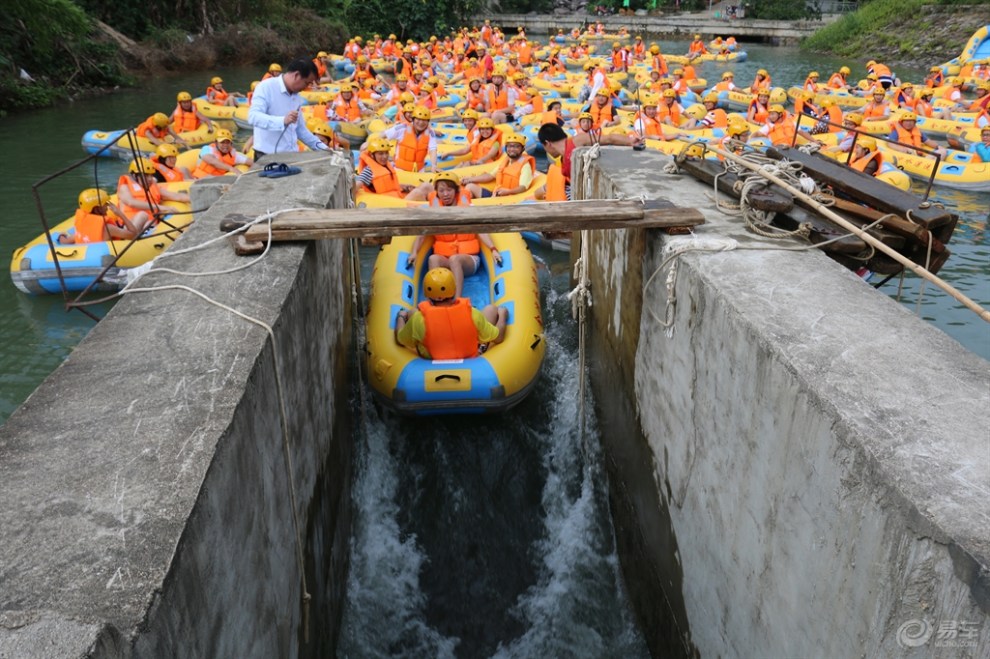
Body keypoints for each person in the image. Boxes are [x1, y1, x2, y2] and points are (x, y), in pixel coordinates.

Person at [394, 267, 507, 361]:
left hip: (431, 360)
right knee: (490, 309)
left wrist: (401, 317)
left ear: (427, 295)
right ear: (454, 290)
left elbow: (400, 339)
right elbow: (499, 337)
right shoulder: (472, 313)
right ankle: (481, 346)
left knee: (412, 312)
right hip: (468, 359)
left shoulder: (418, 319)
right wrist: (502, 315)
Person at [535, 122, 643, 202]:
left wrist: (630, 141)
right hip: (581, 192)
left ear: (547, 143)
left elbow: (609, 139)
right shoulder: (562, 159)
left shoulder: (577, 141)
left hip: (596, 190)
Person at [247, 58, 332, 159]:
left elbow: (300, 130)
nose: (306, 87)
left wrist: (326, 150)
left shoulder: (296, 96)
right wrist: (282, 121)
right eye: (306, 83)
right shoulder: (266, 87)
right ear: (296, 75)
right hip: (268, 158)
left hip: (291, 156)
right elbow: (253, 117)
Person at [117, 159, 188, 233]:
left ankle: (148, 234)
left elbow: (176, 196)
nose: (150, 179)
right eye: (146, 175)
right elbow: (131, 202)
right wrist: (161, 208)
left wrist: (194, 198)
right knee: (142, 215)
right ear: (135, 175)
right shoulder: (124, 187)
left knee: (149, 222)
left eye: (151, 175)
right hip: (129, 226)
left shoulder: (153, 187)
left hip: (149, 225)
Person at [461, 134, 536, 198]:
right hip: (497, 195)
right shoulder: (506, 161)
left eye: (516, 147)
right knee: (469, 186)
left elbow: (523, 187)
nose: (512, 149)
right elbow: (490, 176)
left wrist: (508, 191)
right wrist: (470, 179)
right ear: (506, 148)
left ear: (522, 149)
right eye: (509, 146)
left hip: (509, 198)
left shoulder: (525, 166)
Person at [57, 188, 142, 244]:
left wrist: (61, 236)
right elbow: (134, 235)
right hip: (116, 252)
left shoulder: (82, 223)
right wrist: (120, 214)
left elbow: (66, 241)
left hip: (89, 255)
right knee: (143, 215)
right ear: (97, 208)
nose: (107, 206)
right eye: (105, 204)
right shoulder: (107, 228)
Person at [378, 105, 438, 172]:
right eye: (418, 119)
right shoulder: (402, 128)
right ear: (413, 119)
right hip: (400, 169)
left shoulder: (430, 132)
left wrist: (434, 165)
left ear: (428, 122)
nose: (421, 123)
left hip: (418, 170)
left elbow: (433, 149)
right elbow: (383, 135)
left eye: (424, 120)